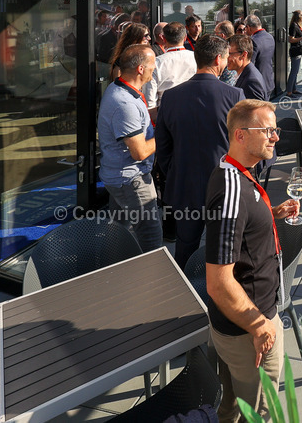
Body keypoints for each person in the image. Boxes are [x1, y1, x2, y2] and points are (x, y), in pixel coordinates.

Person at [205, 100, 299, 422]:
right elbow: (218, 282)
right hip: (248, 329)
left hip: (242, 325)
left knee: (228, 408)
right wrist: (259, 326)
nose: (275, 137)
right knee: (259, 413)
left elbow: (238, 230)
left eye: (276, 130)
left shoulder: (237, 174)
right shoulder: (232, 188)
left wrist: (271, 215)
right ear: (240, 136)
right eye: (268, 130)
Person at [155, 35, 245, 266]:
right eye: (225, 58)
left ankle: (185, 293)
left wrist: (176, 171)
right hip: (225, 187)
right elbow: (243, 143)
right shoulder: (234, 96)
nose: (226, 63)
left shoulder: (171, 97)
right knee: (226, 248)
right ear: (218, 59)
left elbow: (162, 147)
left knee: (185, 247)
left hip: (185, 185)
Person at [97, 44, 161, 251]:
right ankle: (153, 280)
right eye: (153, 64)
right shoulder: (124, 103)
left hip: (120, 176)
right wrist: (167, 135)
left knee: (118, 233)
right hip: (131, 180)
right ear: (140, 69)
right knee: (151, 236)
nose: (155, 68)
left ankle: (112, 269)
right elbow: (140, 151)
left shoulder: (122, 89)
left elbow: (139, 120)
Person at [147, 22, 196, 122]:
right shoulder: (198, 59)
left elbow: (150, 104)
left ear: (163, 39)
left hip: (166, 118)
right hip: (194, 115)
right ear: (185, 37)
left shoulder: (155, 64)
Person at [228, 34, 270, 101]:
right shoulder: (246, 74)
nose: (226, 57)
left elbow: (256, 110)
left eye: (230, 54)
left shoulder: (251, 81)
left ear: (243, 55)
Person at [246, 15, 275, 96]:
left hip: (258, 84)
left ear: (248, 27)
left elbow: (249, 65)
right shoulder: (269, 37)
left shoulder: (253, 41)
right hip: (269, 81)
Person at [285, 10, 302, 97]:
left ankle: (294, 89)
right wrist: (301, 38)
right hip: (295, 51)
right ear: (299, 16)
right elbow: (291, 39)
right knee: (293, 72)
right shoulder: (293, 26)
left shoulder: (297, 25)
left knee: (296, 71)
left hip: (299, 50)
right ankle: (289, 92)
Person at [215, 21, 238, 86]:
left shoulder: (223, 50)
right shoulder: (238, 47)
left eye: (216, 33)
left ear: (222, 35)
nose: (214, 36)